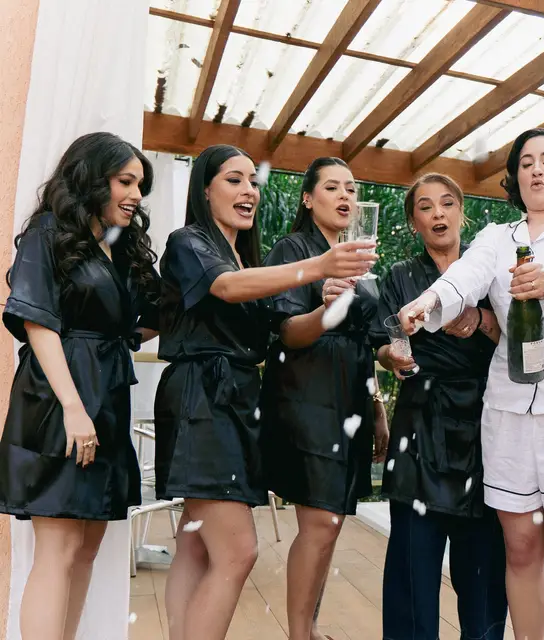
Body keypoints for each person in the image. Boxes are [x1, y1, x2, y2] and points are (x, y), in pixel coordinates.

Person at [400, 129, 544, 640]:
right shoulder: (497, 237)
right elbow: (465, 277)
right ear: (515, 179)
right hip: (508, 409)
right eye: (525, 163)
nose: (535, 170)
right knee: (519, 548)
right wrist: (429, 302)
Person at [153, 145, 376, 640]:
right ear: (204, 189)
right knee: (238, 551)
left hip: (236, 398)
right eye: (234, 180)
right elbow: (227, 289)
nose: (249, 190)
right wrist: (319, 267)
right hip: (201, 396)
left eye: (253, 181)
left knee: (196, 544)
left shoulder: (243, 256)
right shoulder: (188, 242)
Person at [0, 132, 159, 640]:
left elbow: (141, 319)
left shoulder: (118, 244)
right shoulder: (49, 232)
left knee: (86, 548)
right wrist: (72, 407)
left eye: (139, 184)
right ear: (92, 178)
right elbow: (38, 322)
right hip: (59, 400)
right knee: (59, 548)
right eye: (125, 181)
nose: (135, 194)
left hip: (106, 396)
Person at [258, 157, 389, 640]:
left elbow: (370, 340)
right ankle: (299, 634)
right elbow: (287, 332)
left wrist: (378, 408)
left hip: (352, 397)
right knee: (318, 521)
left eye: (351, 188)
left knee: (331, 521)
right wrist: (325, 310)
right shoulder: (294, 249)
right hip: (306, 396)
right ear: (308, 199)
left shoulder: (359, 257)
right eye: (332, 187)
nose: (345, 196)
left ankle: (309, 627)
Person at [373, 173, 508, 640]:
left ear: (461, 213)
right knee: (413, 566)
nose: (438, 214)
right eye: (426, 206)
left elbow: (521, 338)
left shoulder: (490, 271)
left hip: (485, 424)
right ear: (414, 222)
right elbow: (384, 343)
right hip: (421, 421)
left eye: (447, 203)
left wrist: (481, 319)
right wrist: (391, 356)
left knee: (484, 568)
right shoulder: (399, 276)